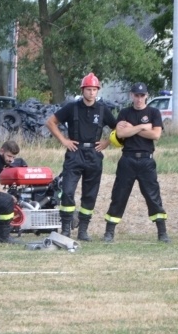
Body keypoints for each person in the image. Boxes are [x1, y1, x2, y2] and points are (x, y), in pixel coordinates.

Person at [46, 73, 117, 241]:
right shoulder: (72, 107)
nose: (92, 93)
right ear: (82, 90)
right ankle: (65, 230)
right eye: (89, 89)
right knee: (68, 191)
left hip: (94, 155)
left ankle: (83, 231)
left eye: (94, 90)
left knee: (90, 194)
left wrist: (106, 143)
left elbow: (118, 129)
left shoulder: (102, 109)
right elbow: (50, 122)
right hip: (75, 153)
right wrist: (64, 140)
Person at [103, 82, 170, 243]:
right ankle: (109, 232)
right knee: (119, 196)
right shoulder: (125, 112)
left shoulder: (154, 112)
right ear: (131, 95)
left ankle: (162, 232)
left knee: (153, 197)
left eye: (142, 95)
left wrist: (133, 129)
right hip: (127, 159)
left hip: (146, 160)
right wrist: (141, 126)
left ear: (146, 96)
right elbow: (120, 132)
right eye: (136, 95)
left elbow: (155, 135)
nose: (139, 99)